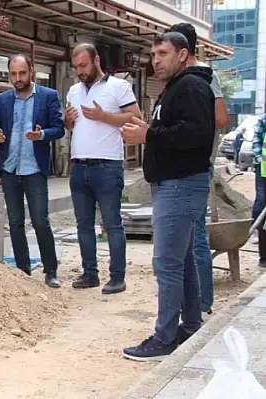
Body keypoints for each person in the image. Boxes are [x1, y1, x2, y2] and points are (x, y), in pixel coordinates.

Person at [121, 32, 215, 361]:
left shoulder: (190, 86)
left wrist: (148, 133)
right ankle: (189, 326)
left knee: (167, 263)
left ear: (183, 54)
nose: (155, 60)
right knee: (183, 260)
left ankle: (164, 338)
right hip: (175, 183)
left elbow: (197, 134)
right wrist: (148, 133)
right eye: (153, 54)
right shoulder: (177, 87)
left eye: (163, 53)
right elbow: (179, 132)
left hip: (180, 184)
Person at [64, 43, 142, 294]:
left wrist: (104, 116)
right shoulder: (73, 90)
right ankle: (90, 273)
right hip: (78, 165)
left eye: (84, 65)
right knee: (83, 224)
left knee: (111, 223)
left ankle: (117, 277)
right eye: (76, 67)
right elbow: (69, 126)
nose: (80, 71)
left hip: (107, 165)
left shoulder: (119, 86)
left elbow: (135, 117)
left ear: (96, 60)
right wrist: (68, 119)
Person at [167, 22, 230, 316]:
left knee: (196, 237)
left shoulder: (203, 76)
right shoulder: (182, 79)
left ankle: (202, 302)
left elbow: (220, 119)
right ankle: (191, 305)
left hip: (196, 167)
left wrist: (189, 126)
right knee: (187, 239)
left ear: (183, 50)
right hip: (180, 169)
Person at [0, 54, 64, 288]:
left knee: (40, 220)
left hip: (34, 168)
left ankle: (50, 271)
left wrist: (41, 135)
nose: (18, 78)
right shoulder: (2, 100)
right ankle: (23, 269)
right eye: (13, 74)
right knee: (15, 221)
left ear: (31, 72)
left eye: (22, 73)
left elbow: (58, 128)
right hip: (10, 168)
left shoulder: (48, 96)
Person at [252, 115, 266, 268]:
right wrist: (259, 158)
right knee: (261, 204)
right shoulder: (263, 121)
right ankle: (264, 256)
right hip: (263, 172)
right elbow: (256, 146)